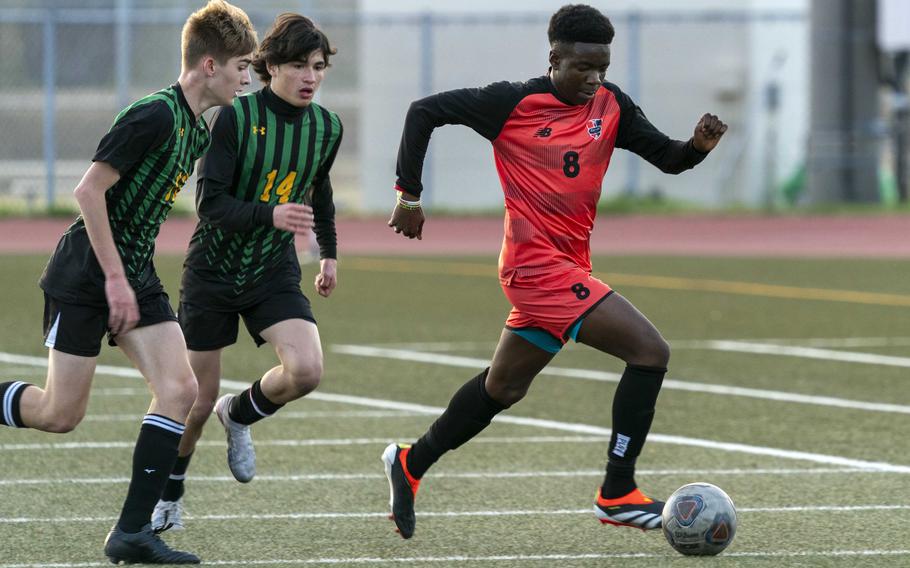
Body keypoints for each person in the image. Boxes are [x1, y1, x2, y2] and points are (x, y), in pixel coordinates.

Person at [382, 4, 727, 539]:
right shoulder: (511, 102)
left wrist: (698, 147)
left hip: (566, 266)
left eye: (602, 69)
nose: (593, 79)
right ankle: (617, 492)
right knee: (650, 351)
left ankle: (411, 462)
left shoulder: (611, 105)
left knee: (503, 388)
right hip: (533, 267)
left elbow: (669, 158)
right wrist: (408, 194)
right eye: (582, 67)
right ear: (554, 59)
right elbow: (423, 110)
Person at [0, 1, 257, 563]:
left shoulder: (197, 127)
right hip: (88, 274)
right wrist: (114, 281)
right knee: (60, 415)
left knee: (182, 390)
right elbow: (88, 191)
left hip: (134, 273)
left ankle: (132, 533)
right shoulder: (155, 114)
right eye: (242, 65)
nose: (247, 77)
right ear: (210, 65)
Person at [150, 13, 342, 533]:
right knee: (193, 400)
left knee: (307, 371)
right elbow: (210, 204)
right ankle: (169, 493)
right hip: (213, 272)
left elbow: (319, 189)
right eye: (299, 64)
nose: (311, 76)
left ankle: (240, 414)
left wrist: (328, 252)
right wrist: (270, 214)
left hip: (271, 271)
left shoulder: (327, 127)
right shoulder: (235, 117)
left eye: (319, 66)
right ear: (270, 67)